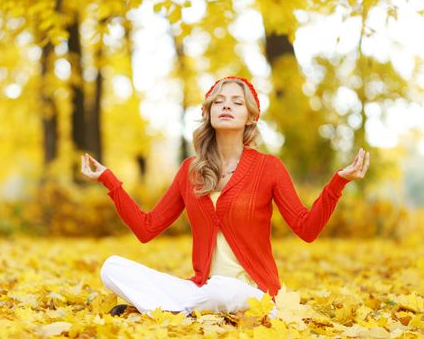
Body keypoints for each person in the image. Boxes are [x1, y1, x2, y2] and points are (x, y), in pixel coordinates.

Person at [80, 76, 370, 319]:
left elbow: (307, 229)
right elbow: (146, 228)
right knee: (112, 268)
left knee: (223, 289)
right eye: (218, 101)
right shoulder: (190, 170)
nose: (226, 106)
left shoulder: (269, 168)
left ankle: (163, 311)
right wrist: (109, 180)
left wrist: (338, 182)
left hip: (252, 294)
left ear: (251, 116)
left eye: (236, 102)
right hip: (202, 290)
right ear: (207, 113)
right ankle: (182, 314)